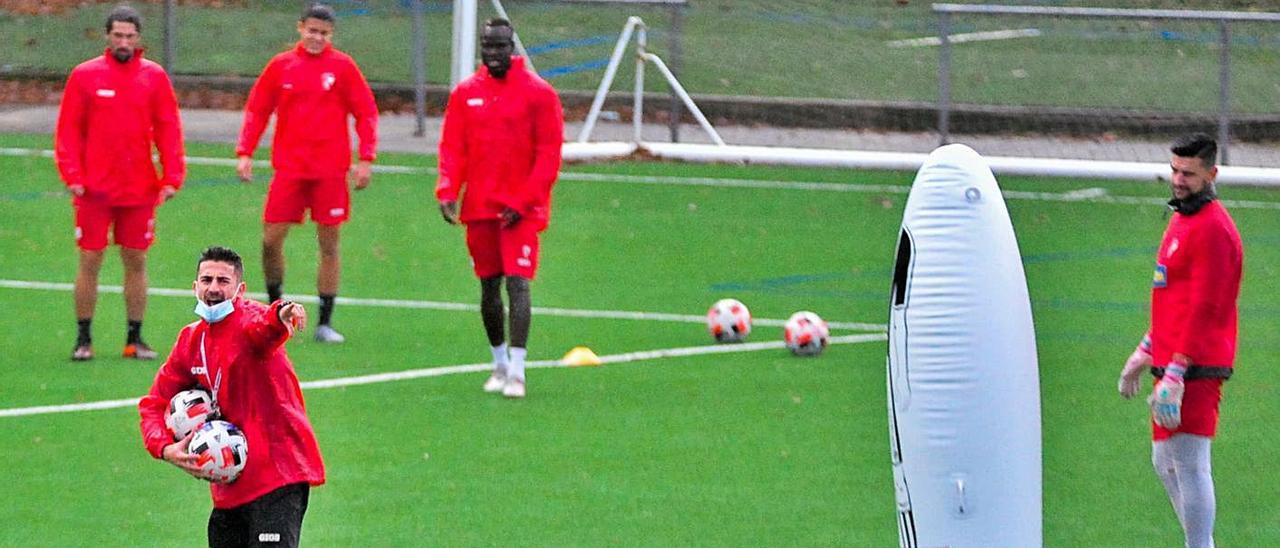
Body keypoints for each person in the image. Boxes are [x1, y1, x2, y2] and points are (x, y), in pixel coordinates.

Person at [139, 246, 323, 547]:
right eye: (206, 280)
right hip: (230, 484)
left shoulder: (248, 321)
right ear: (195, 286)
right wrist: (164, 448)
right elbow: (154, 404)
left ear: (240, 289)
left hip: (277, 475)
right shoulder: (191, 340)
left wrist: (282, 312)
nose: (213, 288)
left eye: (223, 281)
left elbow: (266, 327)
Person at [1117, 133, 1243, 548]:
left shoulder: (1214, 230)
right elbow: (1173, 297)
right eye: (1174, 170)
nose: (1178, 179)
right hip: (1173, 361)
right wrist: (1147, 350)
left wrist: (1176, 370)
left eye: (1188, 173)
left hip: (1195, 365)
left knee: (1189, 463)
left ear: (1212, 174)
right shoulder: (1182, 219)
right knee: (1164, 462)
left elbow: (1207, 307)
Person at [436, 18, 564, 399]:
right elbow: (453, 146)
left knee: (518, 283)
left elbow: (548, 155)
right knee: (488, 287)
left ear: (513, 48)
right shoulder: (466, 93)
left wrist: (524, 201)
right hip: (479, 207)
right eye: (487, 47)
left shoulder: (539, 94)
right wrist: (447, 189)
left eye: (500, 47)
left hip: (520, 211)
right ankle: (499, 364)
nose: (493, 54)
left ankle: (520, 371)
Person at [236, 2, 378, 343]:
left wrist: (366, 159)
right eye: (312, 31)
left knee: (329, 244)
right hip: (289, 170)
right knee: (270, 241)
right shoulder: (281, 66)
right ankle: (276, 312)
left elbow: (366, 112)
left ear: (332, 35)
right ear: (301, 28)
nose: (317, 38)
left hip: (330, 171)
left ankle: (324, 322)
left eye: (324, 33)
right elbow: (258, 109)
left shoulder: (343, 68)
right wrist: (245, 152)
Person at [55, 4, 185, 362]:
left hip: (139, 190)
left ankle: (134, 338)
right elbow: (68, 131)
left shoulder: (154, 77)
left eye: (129, 36)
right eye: (118, 35)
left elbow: (168, 129)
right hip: (94, 191)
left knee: (136, 261)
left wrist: (172, 176)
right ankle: (83, 338)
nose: (124, 41)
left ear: (138, 38)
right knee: (90, 260)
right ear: (107, 37)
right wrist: (73, 176)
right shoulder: (85, 76)